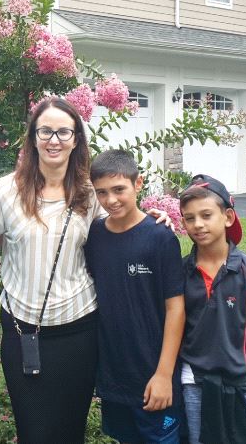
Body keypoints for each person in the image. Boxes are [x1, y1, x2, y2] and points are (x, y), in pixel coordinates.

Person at [0, 96, 102, 443]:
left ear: (77, 139)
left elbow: (118, 231)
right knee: (33, 430)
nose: (54, 140)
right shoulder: (5, 191)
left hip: (79, 329)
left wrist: (153, 221)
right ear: (33, 137)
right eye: (46, 131)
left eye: (64, 132)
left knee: (70, 430)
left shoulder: (90, 192)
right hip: (23, 330)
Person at [84, 149, 185, 444]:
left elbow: (176, 309)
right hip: (115, 376)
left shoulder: (159, 236)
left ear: (138, 184)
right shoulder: (96, 235)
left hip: (154, 375)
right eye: (101, 192)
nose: (111, 200)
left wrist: (164, 374)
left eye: (119, 189)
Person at [179, 174, 246, 444]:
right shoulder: (180, 272)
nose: (198, 224)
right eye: (189, 218)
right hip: (195, 384)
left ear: (227, 217)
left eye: (206, 215)